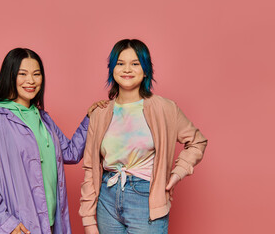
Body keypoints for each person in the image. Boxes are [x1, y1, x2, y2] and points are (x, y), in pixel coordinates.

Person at [0, 48, 107, 234]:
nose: (31, 81)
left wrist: (90, 119)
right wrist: (7, 223)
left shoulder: (43, 119)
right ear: (9, 76)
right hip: (20, 227)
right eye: (22, 74)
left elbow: (70, 153)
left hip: (51, 223)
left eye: (36, 74)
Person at [79, 39, 208, 234]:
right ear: (112, 69)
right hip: (106, 198)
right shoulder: (100, 113)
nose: (127, 69)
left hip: (146, 197)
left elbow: (197, 141)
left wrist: (177, 173)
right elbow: (90, 166)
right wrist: (88, 220)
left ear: (146, 70)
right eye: (120, 63)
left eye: (135, 63)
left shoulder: (165, 109)